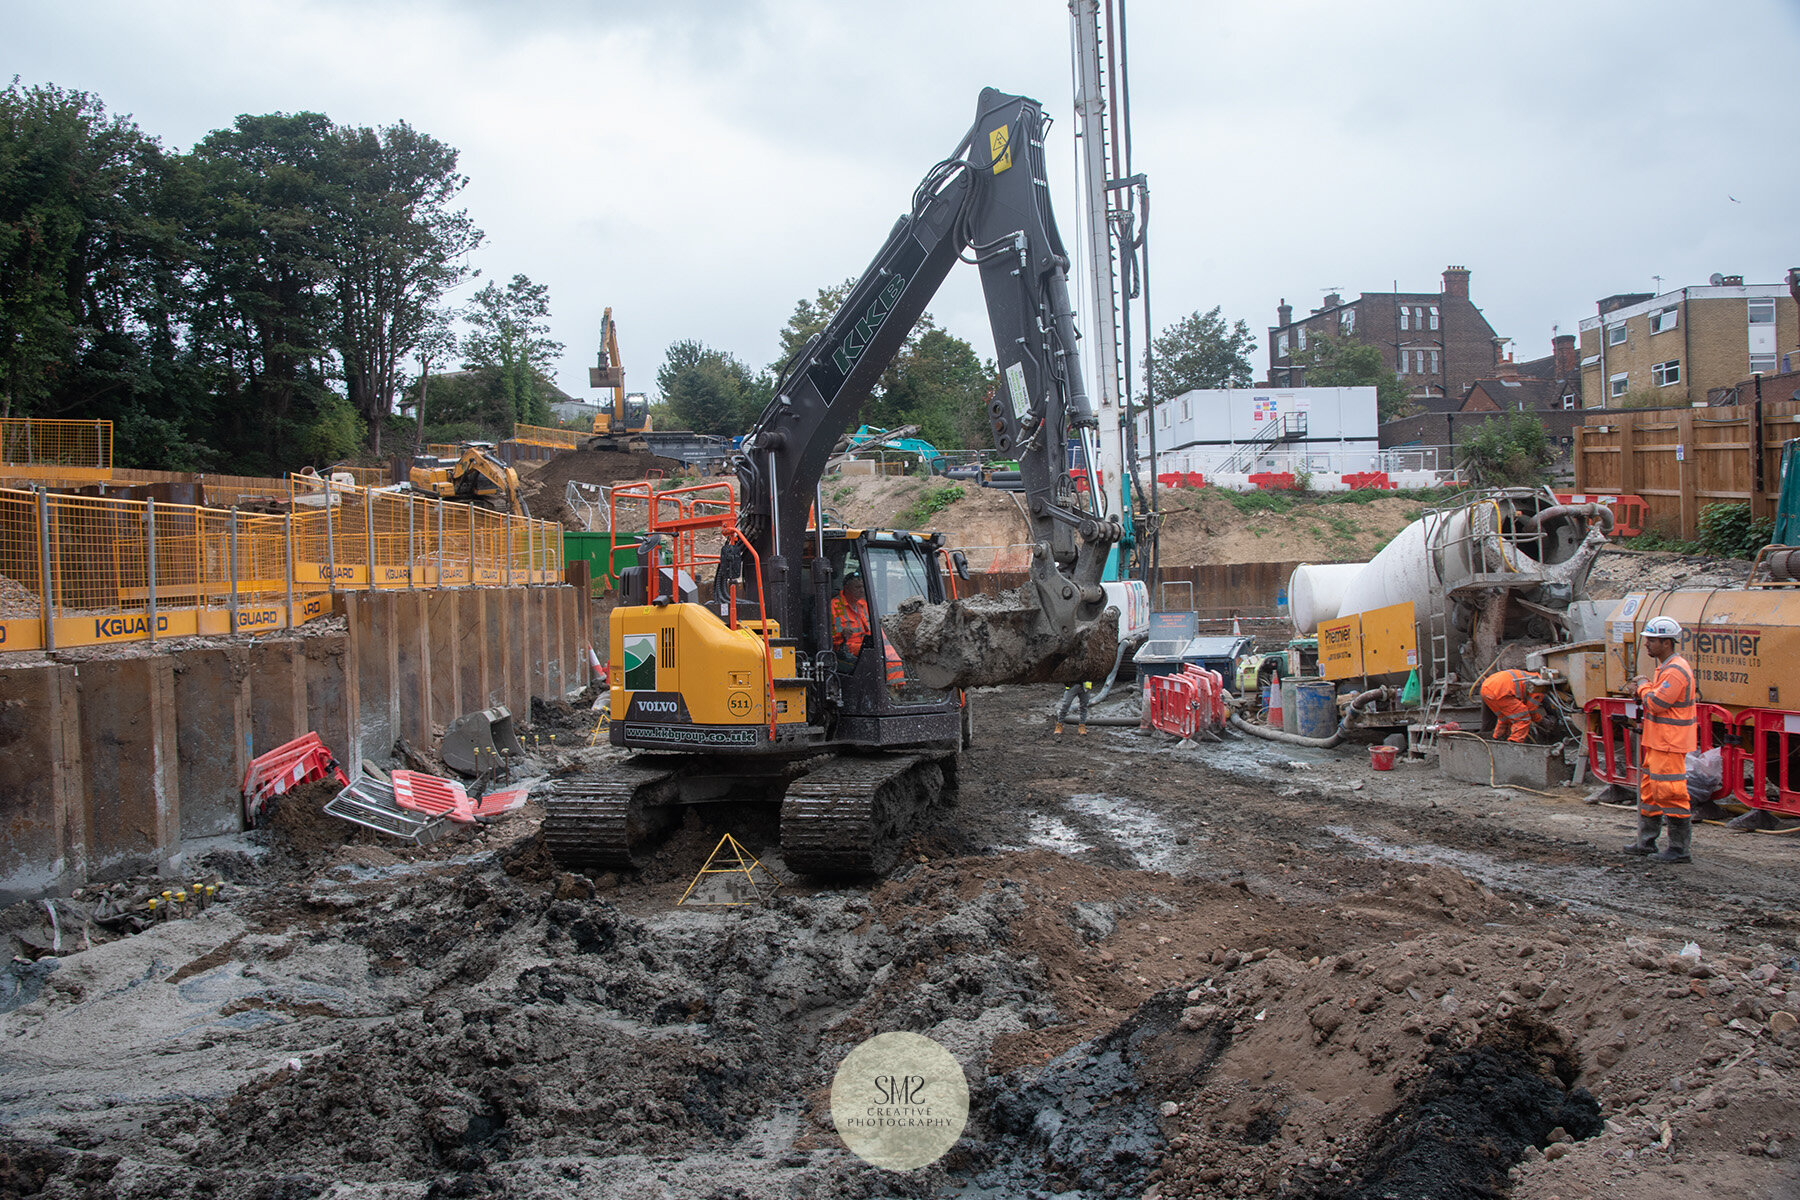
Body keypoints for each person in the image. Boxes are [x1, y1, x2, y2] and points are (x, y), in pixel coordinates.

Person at [1623, 615, 1697, 863]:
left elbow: (1656, 703)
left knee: (1671, 793)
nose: (1646, 645)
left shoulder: (1675, 671)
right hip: (1658, 742)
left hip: (1669, 743)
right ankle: (1646, 842)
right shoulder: (1666, 668)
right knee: (1650, 793)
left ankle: (1679, 849)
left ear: (1666, 642)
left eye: (1651, 640)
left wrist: (1643, 686)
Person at [830, 572, 905, 686]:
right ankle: (894, 689)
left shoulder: (863, 604)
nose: (861, 590)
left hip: (866, 643)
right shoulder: (835, 606)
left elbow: (873, 627)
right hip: (847, 646)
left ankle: (894, 687)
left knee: (891, 649)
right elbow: (830, 636)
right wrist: (841, 634)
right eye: (857, 587)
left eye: (862, 587)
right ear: (846, 588)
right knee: (887, 653)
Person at [1480, 668, 1547, 743]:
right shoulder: (1539, 686)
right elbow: (1531, 711)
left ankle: (1498, 738)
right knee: (1523, 717)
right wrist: (1541, 721)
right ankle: (1514, 742)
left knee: (1504, 717)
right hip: (1501, 691)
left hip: (1486, 689)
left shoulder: (1530, 676)